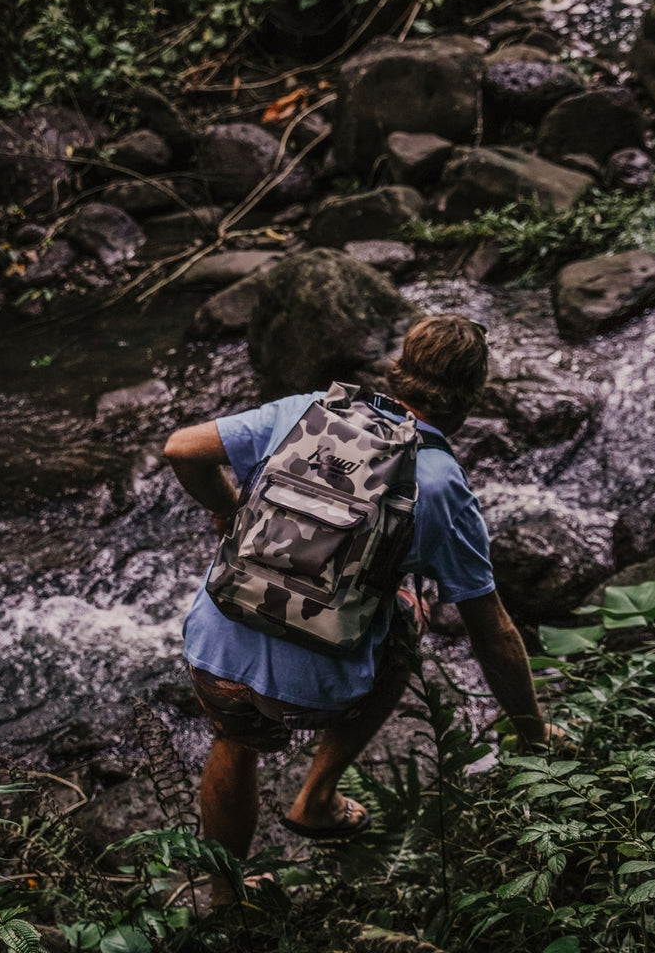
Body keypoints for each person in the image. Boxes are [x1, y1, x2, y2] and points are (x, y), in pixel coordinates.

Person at [165, 313, 558, 904]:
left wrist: (225, 509)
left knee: (234, 741)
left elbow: (181, 448)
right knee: (408, 605)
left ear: (398, 370)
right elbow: (490, 628)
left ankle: (224, 895)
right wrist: (534, 733)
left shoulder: (307, 409)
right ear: (469, 400)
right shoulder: (442, 484)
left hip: (215, 649)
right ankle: (317, 799)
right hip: (314, 688)